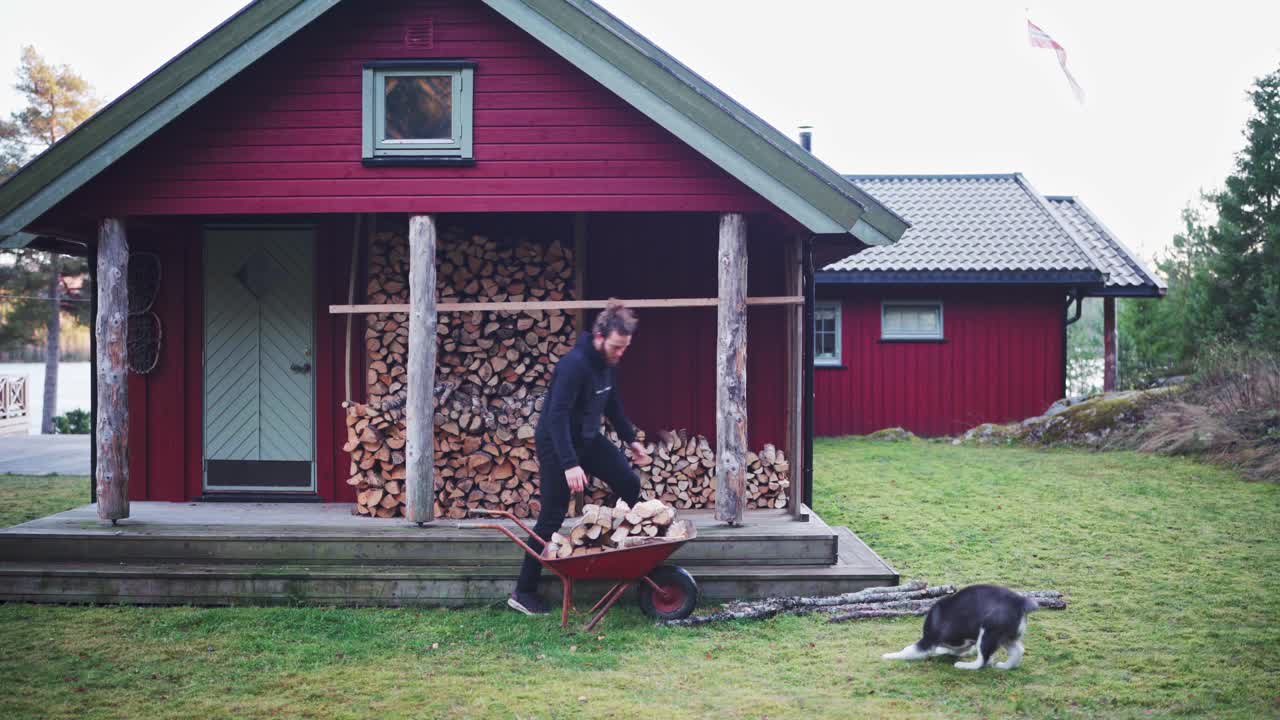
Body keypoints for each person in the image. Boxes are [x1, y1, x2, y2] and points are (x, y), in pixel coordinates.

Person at [508, 300, 650, 615]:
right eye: (616, 347)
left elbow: (612, 403)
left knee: (628, 482)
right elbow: (556, 416)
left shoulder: (606, 364)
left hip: (586, 439)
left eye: (625, 348)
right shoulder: (574, 365)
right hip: (556, 443)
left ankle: (613, 548)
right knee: (551, 516)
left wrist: (631, 440)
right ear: (600, 337)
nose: (620, 354)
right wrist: (570, 463)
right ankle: (524, 591)